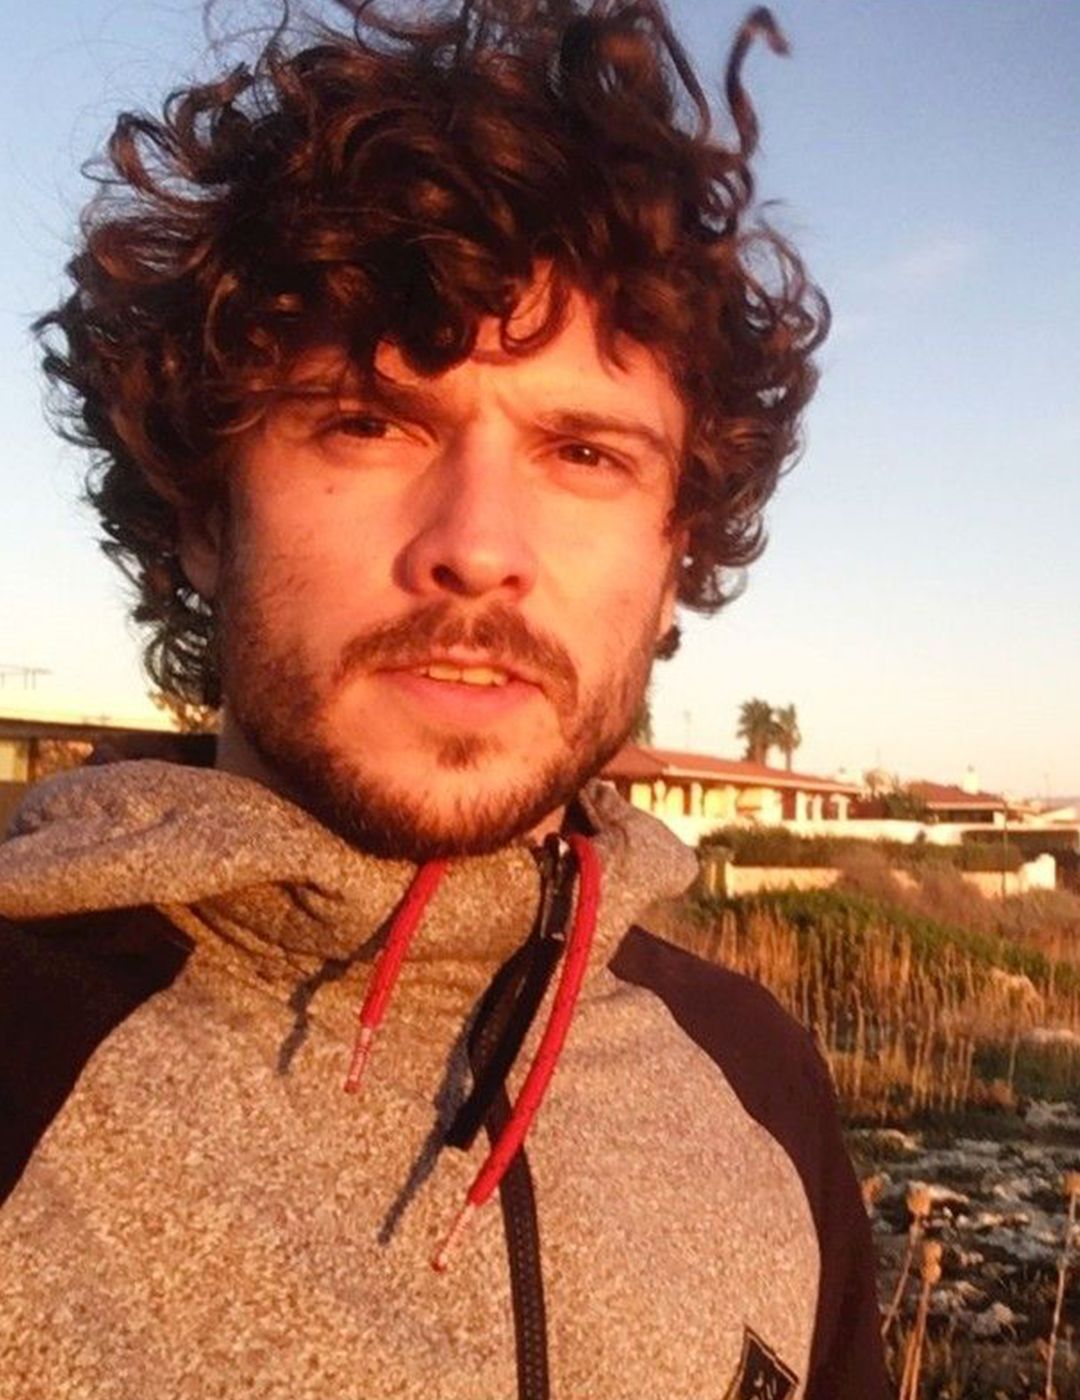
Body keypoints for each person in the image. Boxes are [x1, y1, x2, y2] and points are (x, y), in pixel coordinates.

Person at [0, 1, 887, 1396]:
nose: (477, 545)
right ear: (203, 518)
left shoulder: (761, 1080)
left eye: (584, 454)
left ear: (674, 559)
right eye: (366, 421)